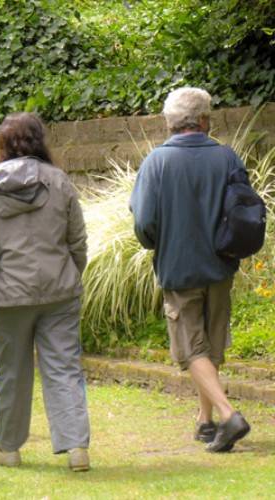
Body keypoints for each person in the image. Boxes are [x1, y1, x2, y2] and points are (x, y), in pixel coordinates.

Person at [0, 112, 91, 471]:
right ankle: (76, 447)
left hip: (8, 295)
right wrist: (70, 274)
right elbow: (78, 241)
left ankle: (8, 447)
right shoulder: (60, 182)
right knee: (64, 368)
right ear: (40, 140)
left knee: (11, 372)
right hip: (60, 291)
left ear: (3, 144)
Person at [130, 87, 250, 452]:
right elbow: (246, 213)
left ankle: (229, 416)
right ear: (204, 119)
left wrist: (158, 244)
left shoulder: (157, 162)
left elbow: (144, 223)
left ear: (170, 121)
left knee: (191, 350)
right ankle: (204, 420)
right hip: (221, 265)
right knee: (210, 348)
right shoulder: (227, 158)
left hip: (179, 268)